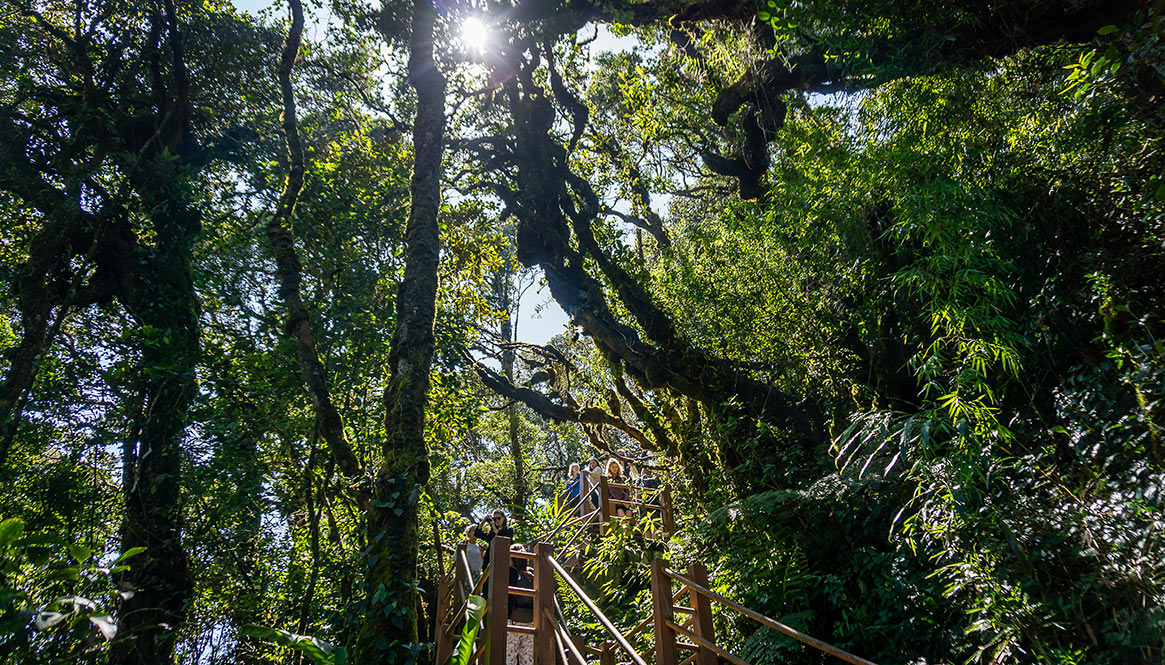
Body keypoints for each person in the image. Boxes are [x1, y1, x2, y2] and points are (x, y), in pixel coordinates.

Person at [506, 544, 535, 665]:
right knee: (528, 658)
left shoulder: (510, 572)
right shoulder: (533, 572)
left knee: (510, 656)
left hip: (513, 620)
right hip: (531, 620)